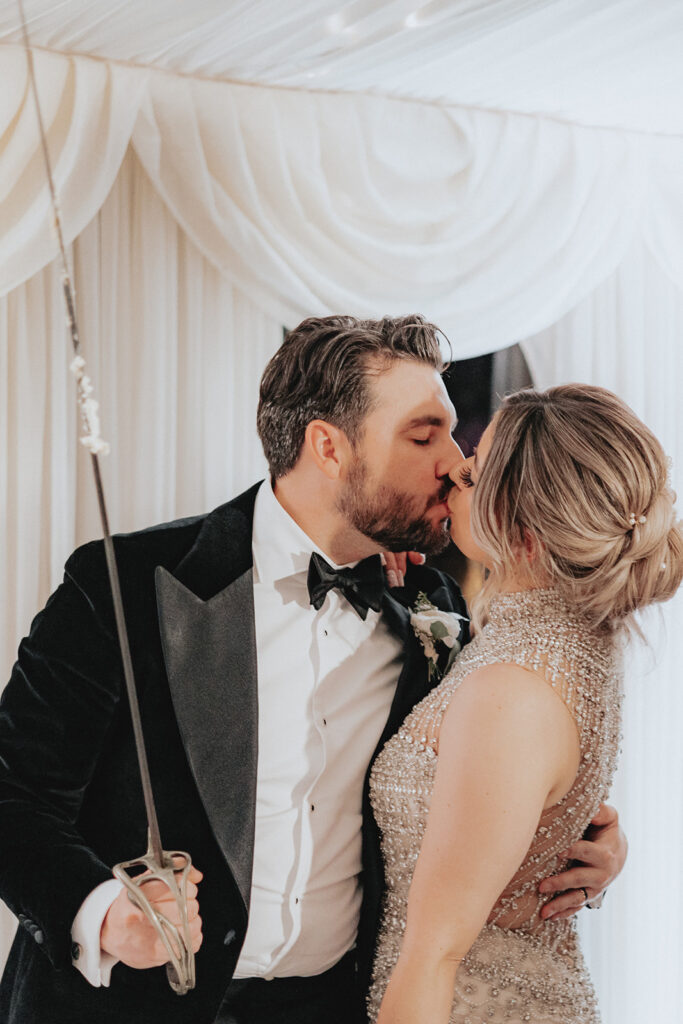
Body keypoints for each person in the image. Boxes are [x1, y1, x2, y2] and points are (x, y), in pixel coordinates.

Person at [0, 318, 626, 1024]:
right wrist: (106, 913)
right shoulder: (126, 583)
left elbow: (479, 779)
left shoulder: (431, 604)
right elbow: (13, 793)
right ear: (327, 446)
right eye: (422, 436)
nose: (455, 462)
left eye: (451, 433)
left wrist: (580, 839)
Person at [368, 384, 683, 1024]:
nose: (455, 470)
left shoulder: (512, 686)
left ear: (527, 532)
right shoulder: (572, 638)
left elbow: (434, 954)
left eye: (476, 471)